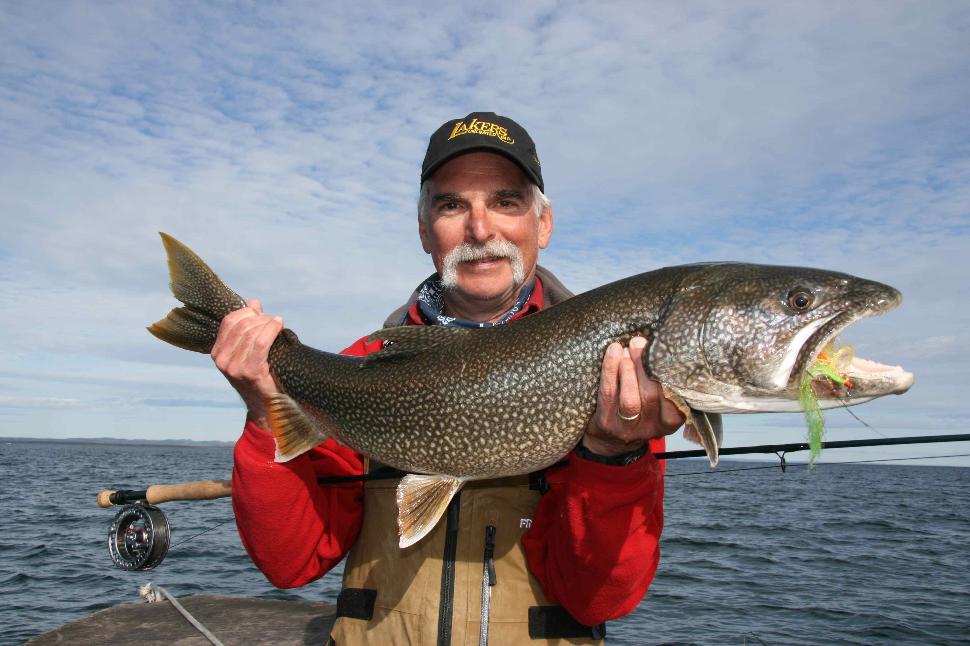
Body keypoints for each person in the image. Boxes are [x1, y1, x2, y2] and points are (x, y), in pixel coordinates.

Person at [220, 112, 685, 645]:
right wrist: (265, 413)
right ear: (425, 231)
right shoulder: (363, 366)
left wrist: (613, 457)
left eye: (505, 202)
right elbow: (291, 563)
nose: (480, 228)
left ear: (544, 224)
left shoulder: (619, 372)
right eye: (452, 205)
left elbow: (599, 599)